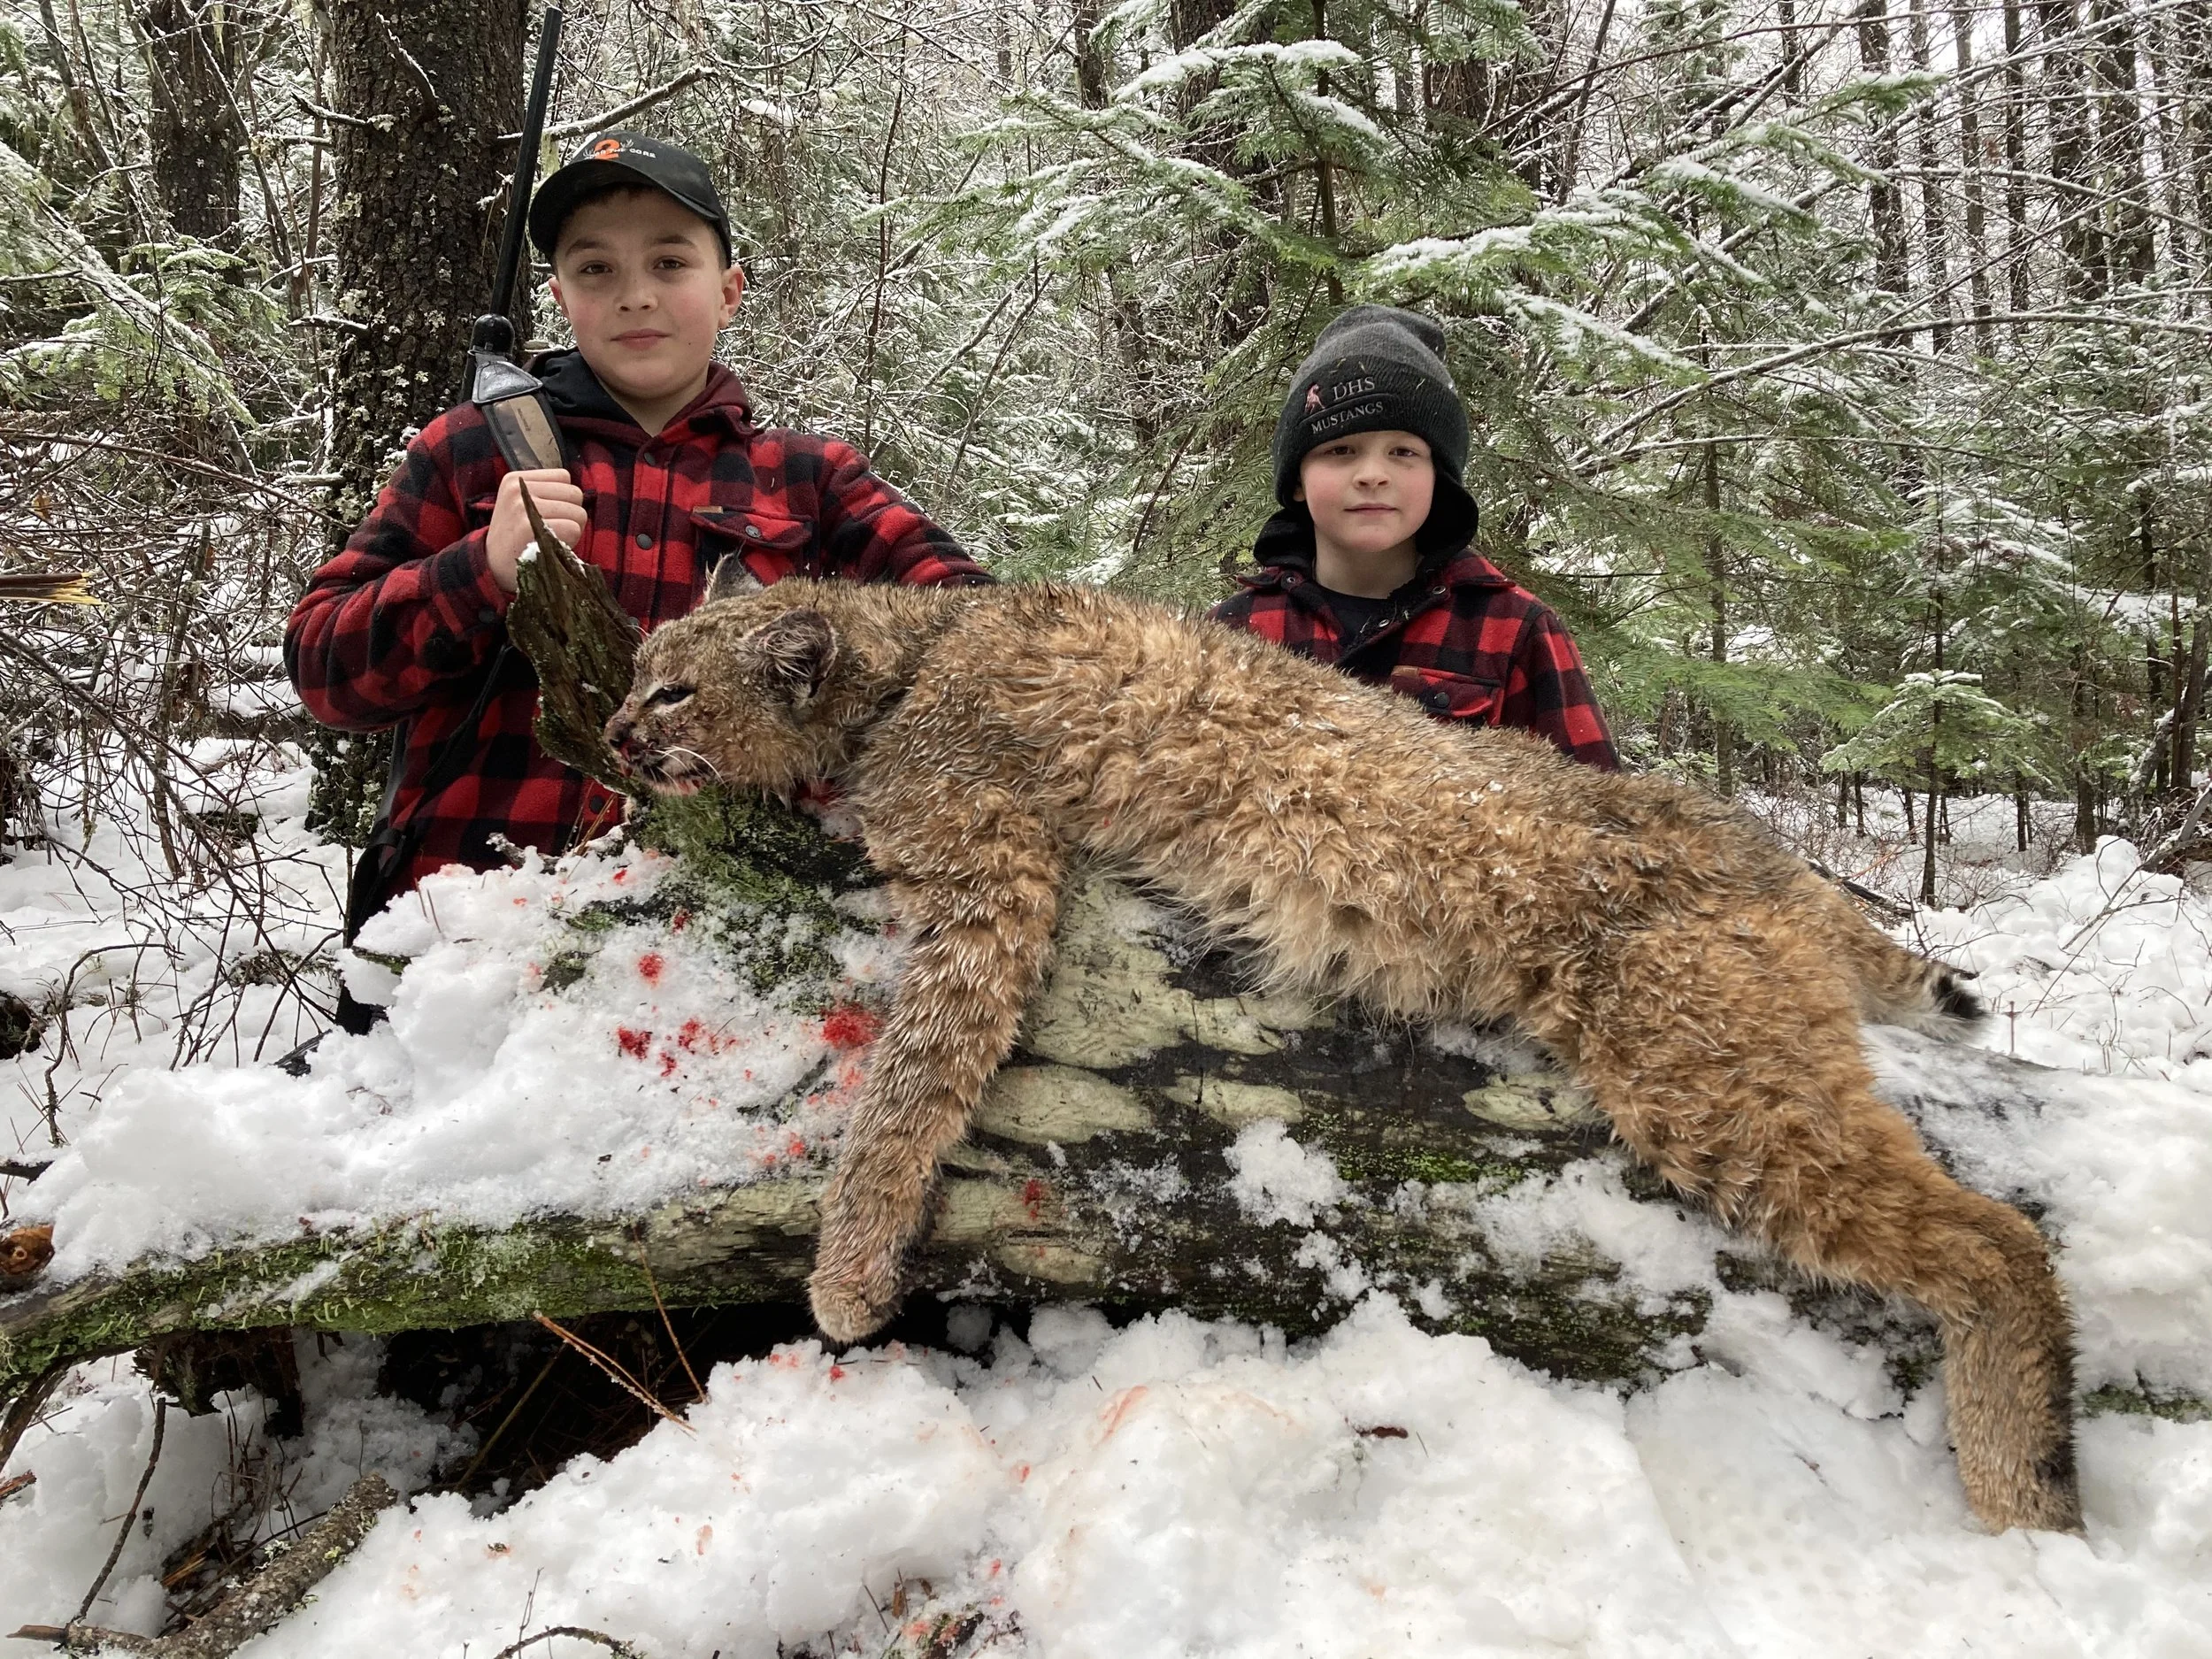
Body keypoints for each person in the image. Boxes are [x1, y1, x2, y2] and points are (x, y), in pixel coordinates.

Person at [287, 131, 989, 928]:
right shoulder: (469, 450)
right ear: (560, 296)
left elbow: (983, 629)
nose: (635, 295)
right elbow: (323, 671)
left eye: (669, 263)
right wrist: (477, 570)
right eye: (596, 269)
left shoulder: (813, 481)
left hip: (713, 948)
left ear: (729, 291)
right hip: (458, 945)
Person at [1210, 304, 1618, 770]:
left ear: (1438, 476)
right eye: (1340, 449)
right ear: (1298, 479)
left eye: (1402, 451)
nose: (1372, 475)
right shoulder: (1231, 632)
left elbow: (1602, 817)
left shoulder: (1514, 631)